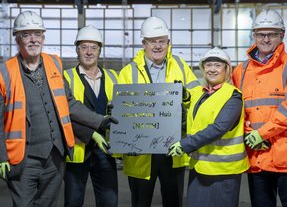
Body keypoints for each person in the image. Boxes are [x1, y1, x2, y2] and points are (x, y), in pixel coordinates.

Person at [0, 11, 118, 207]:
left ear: (43, 37)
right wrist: (1, 155)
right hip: (22, 158)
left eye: (37, 34)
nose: (33, 39)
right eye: (26, 34)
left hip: (55, 157)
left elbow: (68, 103)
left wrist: (99, 120)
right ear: (17, 38)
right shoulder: (5, 72)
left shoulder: (53, 63)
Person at [118, 16, 201, 207]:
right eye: (152, 41)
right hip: (141, 151)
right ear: (143, 44)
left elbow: (197, 98)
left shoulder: (180, 66)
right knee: (140, 202)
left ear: (168, 43)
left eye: (161, 41)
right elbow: (122, 110)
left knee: (173, 200)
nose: (157, 46)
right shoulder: (128, 72)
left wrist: (186, 97)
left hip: (173, 148)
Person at [232, 9, 287, 207]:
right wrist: (247, 132)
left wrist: (261, 133)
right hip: (258, 158)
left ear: (282, 35)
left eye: (272, 34)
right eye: (261, 34)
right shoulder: (241, 71)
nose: (266, 39)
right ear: (254, 35)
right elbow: (234, 109)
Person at [168, 47, 249, 207]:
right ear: (203, 68)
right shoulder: (199, 92)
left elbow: (218, 128)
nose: (212, 69)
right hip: (200, 166)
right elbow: (191, 112)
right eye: (208, 65)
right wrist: (182, 99)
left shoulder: (233, 96)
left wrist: (185, 144)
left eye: (218, 65)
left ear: (227, 70)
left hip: (224, 170)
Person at [63, 25, 119, 207]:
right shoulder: (66, 77)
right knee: (73, 201)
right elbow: (64, 115)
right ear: (77, 50)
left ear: (100, 51)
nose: (89, 52)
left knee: (109, 202)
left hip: (105, 150)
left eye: (94, 47)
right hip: (77, 151)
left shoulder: (113, 77)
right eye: (84, 47)